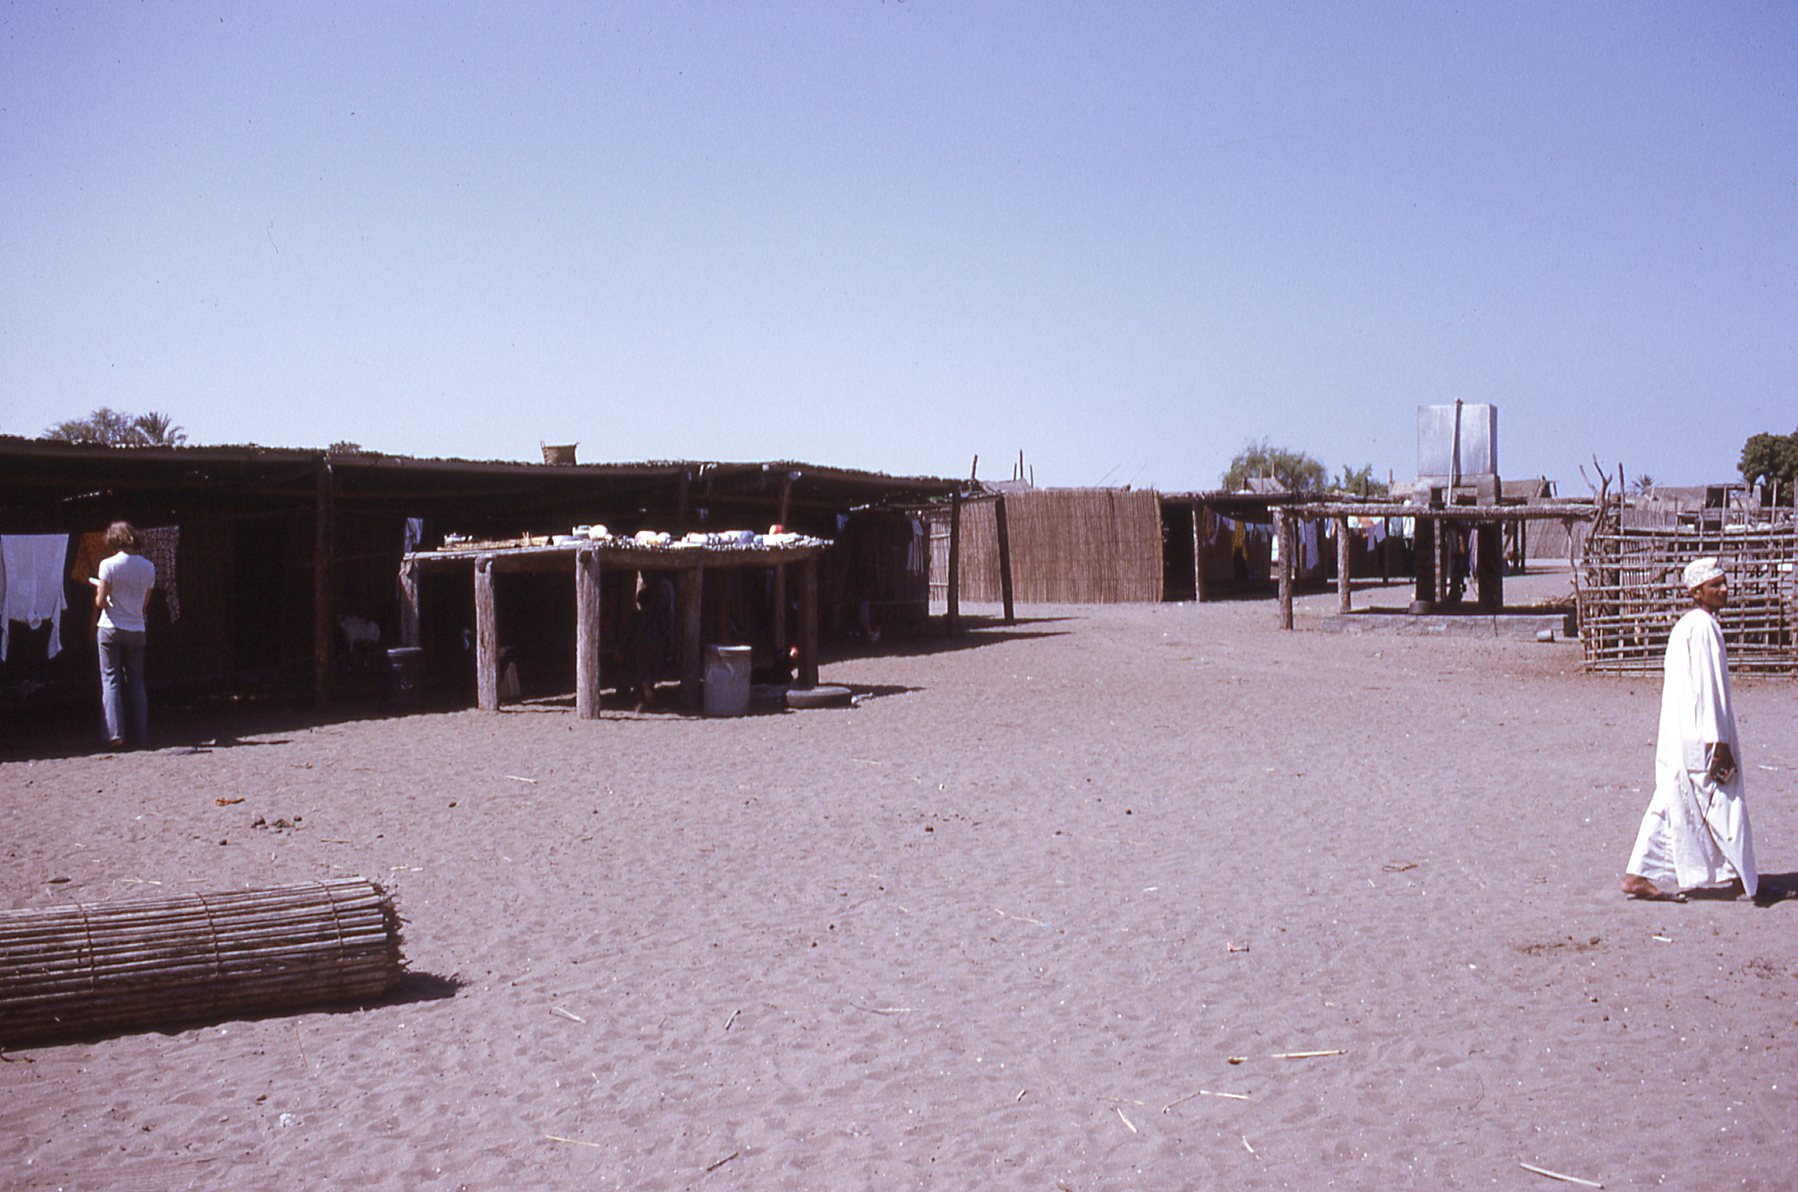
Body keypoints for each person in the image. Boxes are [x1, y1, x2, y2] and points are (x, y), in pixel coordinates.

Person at [1621, 557, 1757, 902]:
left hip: (1684, 732)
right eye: (1715, 585)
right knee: (1720, 801)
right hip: (1702, 735)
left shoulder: (1689, 625)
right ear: (1697, 592)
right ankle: (1739, 874)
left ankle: (1641, 874)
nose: (1724, 590)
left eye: (1724, 583)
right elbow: (1707, 688)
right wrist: (1719, 741)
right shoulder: (1701, 628)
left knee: (1677, 799)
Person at [92, 521, 156, 750]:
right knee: (137, 682)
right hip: (137, 628)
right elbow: (144, 604)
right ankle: (142, 735)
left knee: (110, 680)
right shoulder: (148, 567)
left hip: (111, 628)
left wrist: (99, 594)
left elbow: (101, 602)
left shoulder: (107, 565)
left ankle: (115, 734)